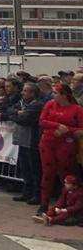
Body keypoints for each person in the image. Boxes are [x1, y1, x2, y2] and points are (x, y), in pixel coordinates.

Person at [37, 83, 83, 215]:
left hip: (66, 144)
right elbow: (42, 121)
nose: (53, 95)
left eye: (56, 93)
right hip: (48, 142)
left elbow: (81, 129)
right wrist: (57, 125)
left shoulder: (77, 109)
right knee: (48, 173)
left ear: (64, 95)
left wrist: (67, 131)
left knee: (66, 173)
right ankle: (44, 203)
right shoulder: (50, 105)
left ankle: (67, 204)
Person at [7, 82, 43, 205]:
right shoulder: (22, 103)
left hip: (32, 141)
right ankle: (27, 192)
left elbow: (25, 119)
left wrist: (17, 115)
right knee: (25, 168)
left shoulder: (37, 105)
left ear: (33, 93)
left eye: (26, 91)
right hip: (22, 140)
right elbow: (10, 110)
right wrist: (17, 112)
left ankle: (37, 194)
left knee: (34, 169)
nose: (23, 93)